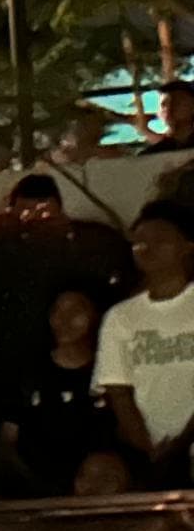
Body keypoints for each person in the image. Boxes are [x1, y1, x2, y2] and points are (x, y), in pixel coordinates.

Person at [95, 197, 194, 477]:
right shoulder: (120, 317)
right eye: (139, 240)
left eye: (160, 238)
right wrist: (148, 449)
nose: (146, 246)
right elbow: (119, 391)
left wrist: (182, 442)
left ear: (187, 246)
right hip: (148, 456)